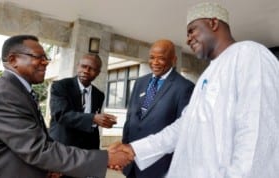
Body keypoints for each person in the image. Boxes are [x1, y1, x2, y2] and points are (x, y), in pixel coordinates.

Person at [113, 2, 279, 178]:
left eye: (192, 30)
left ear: (213, 23)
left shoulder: (250, 54)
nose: (187, 39)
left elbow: (257, 140)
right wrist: (135, 149)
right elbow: (183, 127)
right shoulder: (207, 76)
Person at [0, 35, 132, 178]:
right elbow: (37, 148)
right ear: (13, 60)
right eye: (38, 57)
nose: (45, 62)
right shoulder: (5, 96)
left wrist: (51, 166)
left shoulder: (16, 90)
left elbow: (34, 137)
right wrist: (105, 158)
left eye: (46, 57)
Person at [122, 39, 194, 178]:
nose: (155, 62)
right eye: (152, 57)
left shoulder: (184, 87)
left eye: (161, 58)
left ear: (173, 60)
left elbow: (181, 130)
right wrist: (124, 149)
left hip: (158, 166)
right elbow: (130, 117)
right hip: (131, 161)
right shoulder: (140, 82)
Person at [49, 53, 116, 153]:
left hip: (87, 150)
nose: (86, 71)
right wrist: (93, 118)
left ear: (98, 72)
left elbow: (92, 124)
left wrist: (102, 121)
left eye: (92, 69)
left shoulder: (99, 95)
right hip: (63, 147)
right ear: (77, 66)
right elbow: (61, 114)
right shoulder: (61, 86)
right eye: (83, 66)